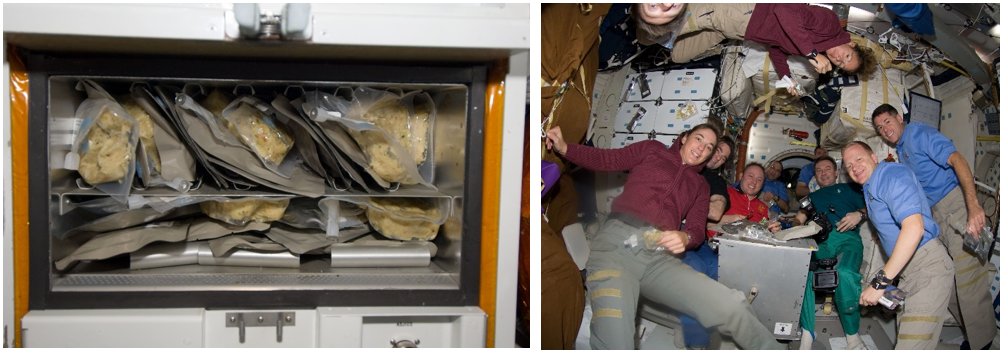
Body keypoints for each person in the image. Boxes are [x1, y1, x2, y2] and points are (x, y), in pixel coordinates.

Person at [545, 123, 782, 350]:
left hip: (658, 258)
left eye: (709, 147)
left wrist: (685, 237)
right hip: (615, 250)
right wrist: (566, 148)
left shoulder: (700, 186)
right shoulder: (652, 150)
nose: (702, 148)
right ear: (685, 137)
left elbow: (698, 230)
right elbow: (609, 159)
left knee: (733, 305)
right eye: (699, 139)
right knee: (616, 343)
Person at [871, 104, 997, 350]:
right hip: (937, 216)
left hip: (956, 207)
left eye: (887, 122)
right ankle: (975, 338)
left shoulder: (918, 134)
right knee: (946, 279)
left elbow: (957, 159)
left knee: (968, 280)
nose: (885, 129)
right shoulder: (902, 150)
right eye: (879, 127)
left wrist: (973, 207)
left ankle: (983, 344)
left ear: (899, 118)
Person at [843, 141, 954, 350]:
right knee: (909, 337)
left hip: (928, 266)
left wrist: (879, 283)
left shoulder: (890, 174)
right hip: (908, 270)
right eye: (849, 166)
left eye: (859, 159)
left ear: (874, 158)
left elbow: (914, 229)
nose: (854, 167)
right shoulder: (870, 187)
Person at [633, 3, 877, 95]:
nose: (838, 59)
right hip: (748, 12)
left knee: (679, 54)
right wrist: (811, 54)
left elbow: (777, 49)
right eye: (846, 56)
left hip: (739, 32)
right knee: (652, 31)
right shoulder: (830, 25)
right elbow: (784, 11)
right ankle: (631, 16)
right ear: (851, 44)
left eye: (841, 64)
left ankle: (645, 36)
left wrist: (786, 78)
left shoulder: (820, 50)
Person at [792, 156, 868, 350]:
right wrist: (796, 231)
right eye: (819, 170)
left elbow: (872, 204)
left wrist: (859, 214)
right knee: (802, 273)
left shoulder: (849, 190)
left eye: (828, 169)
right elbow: (799, 218)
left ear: (836, 173)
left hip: (847, 238)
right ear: (815, 176)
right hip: (820, 241)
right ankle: (808, 332)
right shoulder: (811, 199)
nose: (823, 173)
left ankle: (852, 335)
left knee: (845, 273)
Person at [676, 135, 733, 348]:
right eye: (717, 150)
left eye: (723, 157)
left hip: (696, 235)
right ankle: (695, 341)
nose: (718, 157)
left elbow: (717, 212)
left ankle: (702, 326)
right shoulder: (682, 163)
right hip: (671, 229)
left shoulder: (716, 180)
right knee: (695, 270)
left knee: (719, 267)